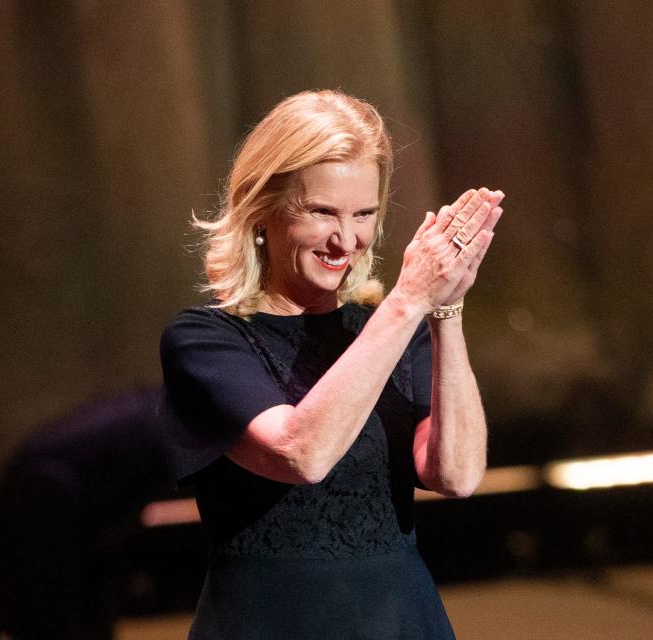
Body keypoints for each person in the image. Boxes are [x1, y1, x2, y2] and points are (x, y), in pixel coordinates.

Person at [159, 89, 503, 639]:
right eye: (322, 212)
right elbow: (303, 454)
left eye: (364, 213)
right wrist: (409, 300)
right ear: (261, 210)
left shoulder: (389, 327)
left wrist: (446, 309)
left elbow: (457, 476)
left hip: (401, 621)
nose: (347, 239)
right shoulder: (206, 340)